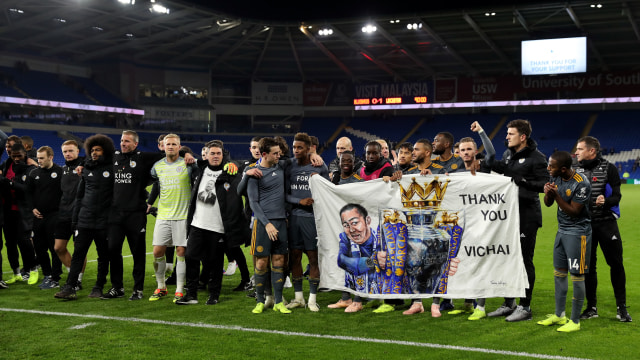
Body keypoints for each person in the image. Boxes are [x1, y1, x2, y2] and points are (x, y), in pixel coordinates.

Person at [103, 130, 192, 301]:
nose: (123, 143)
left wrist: (186, 153)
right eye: (122, 140)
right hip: (117, 215)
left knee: (141, 252)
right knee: (115, 250)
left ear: (135, 144)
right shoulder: (117, 158)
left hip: (139, 214)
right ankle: (118, 287)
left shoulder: (146, 158)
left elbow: (172, 153)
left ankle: (140, 289)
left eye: (127, 141)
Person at [484, 119, 548, 322]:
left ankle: (525, 306)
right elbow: (503, 171)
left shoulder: (537, 158)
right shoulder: (508, 154)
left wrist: (525, 182)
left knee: (524, 260)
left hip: (527, 215)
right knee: (508, 259)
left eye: (510, 134)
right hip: (509, 215)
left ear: (522, 137)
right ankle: (508, 303)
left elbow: (545, 185)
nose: (506, 137)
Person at [177, 140, 249, 305]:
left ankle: (214, 294)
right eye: (212, 153)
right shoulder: (200, 169)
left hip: (218, 227)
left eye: (219, 153)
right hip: (197, 224)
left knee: (215, 262)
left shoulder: (231, 172)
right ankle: (192, 294)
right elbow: (179, 153)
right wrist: (187, 153)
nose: (215, 156)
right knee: (190, 257)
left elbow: (244, 167)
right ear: (206, 155)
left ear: (223, 155)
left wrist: (232, 163)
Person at [574, 136, 632, 322]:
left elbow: (617, 196)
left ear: (592, 151)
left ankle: (621, 307)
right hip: (585, 226)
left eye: (580, 149)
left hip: (606, 224)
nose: (576, 152)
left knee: (616, 264)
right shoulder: (575, 170)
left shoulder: (609, 168)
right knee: (589, 268)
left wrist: (606, 201)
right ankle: (591, 307)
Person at [54, 134, 114, 300]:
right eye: (92, 150)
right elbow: (79, 197)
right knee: (78, 254)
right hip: (84, 220)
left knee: (103, 256)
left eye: (98, 150)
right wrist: (75, 221)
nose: (94, 153)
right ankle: (70, 286)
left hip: (104, 221)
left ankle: (98, 286)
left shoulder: (113, 169)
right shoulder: (86, 169)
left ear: (106, 150)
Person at [538, 151, 591, 332]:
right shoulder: (556, 178)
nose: (548, 168)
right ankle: (559, 315)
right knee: (559, 273)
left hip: (578, 233)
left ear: (562, 169)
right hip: (561, 231)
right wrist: (548, 193)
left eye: (551, 166)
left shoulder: (581, 182)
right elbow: (548, 203)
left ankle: (575, 321)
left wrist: (557, 195)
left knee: (577, 276)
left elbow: (575, 212)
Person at [148, 134, 197, 303]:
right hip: (163, 215)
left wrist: (190, 156)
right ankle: (161, 287)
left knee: (181, 252)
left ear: (179, 146)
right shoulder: (157, 167)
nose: (170, 146)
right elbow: (153, 182)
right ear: (163, 146)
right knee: (157, 251)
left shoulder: (188, 164)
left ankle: (179, 289)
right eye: (167, 144)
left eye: (174, 144)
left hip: (183, 216)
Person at [246, 137, 291, 314]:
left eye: (279, 153)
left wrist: (315, 156)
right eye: (275, 153)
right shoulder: (254, 173)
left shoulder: (281, 167)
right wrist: (267, 224)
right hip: (263, 223)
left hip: (281, 221)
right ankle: (260, 300)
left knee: (279, 261)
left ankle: (279, 302)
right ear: (265, 154)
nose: (279, 156)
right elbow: (253, 203)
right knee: (262, 262)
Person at [285, 132, 329, 312]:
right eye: (294, 147)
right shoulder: (289, 166)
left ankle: (312, 299)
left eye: (299, 147)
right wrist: (298, 201)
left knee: (313, 259)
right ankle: (298, 298)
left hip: (312, 219)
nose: (295, 150)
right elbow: (284, 194)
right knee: (294, 257)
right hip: (294, 218)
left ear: (309, 149)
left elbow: (328, 193)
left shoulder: (320, 166)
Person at [1, 142, 38, 285]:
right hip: (7, 210)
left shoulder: (30, 168)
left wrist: (10, 184)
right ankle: (16, 273)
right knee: (9, 243)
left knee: (24, 242)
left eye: (19, 156)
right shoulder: (6, 165)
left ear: (25, 154)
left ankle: (33, 270)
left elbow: (28, 189)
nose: (16, 158)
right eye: (13, 155)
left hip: (23, 211)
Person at [27, 146, 63, 289]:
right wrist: (32, 208)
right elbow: (28, 194)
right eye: (38, 158)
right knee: (39, 248)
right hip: (38, 217)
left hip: (54, 216)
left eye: (42, 158)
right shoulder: (33, 173)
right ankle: (47, 274)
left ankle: (55, 277)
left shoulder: (60, 172)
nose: (39, 161)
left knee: (54, 248)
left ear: (51, 157)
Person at [54, 140, 85, 289]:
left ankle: (77, 280)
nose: (68, 154)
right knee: (58, 248)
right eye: (65, 151)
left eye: (71, 151)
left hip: (80, 215)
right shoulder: (62, 170)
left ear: (78, 151)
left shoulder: (86, 167)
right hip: (63, 214)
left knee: (79, 249)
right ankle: (71, 274)